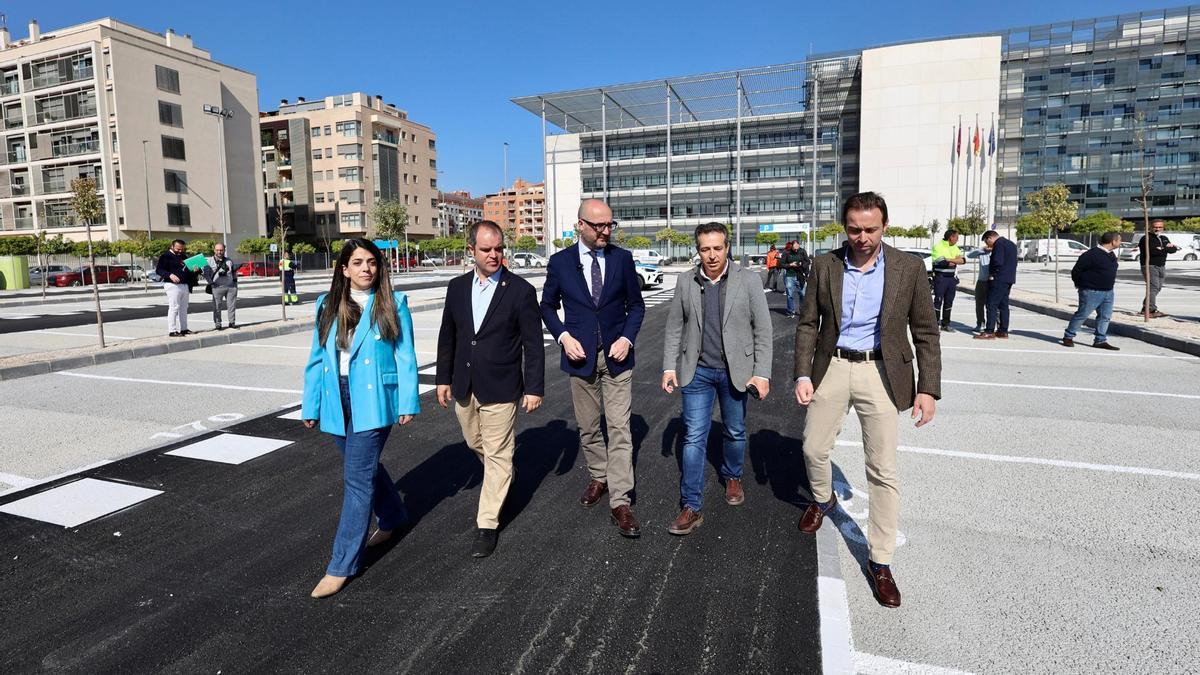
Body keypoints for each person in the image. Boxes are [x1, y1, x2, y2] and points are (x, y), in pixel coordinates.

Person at [793, 192, 941, 608]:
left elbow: (926, 332)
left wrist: (927, 388)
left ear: (884, 227)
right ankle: (823, 498)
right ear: (845, 227)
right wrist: (803, 373)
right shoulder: (825, 265)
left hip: (881, 372)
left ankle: (880, 561)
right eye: (854, 229)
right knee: (812, 448)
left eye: (870, 229)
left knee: (882, 469)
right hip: (833, 366)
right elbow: (808, 324)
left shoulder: (908, 268)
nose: (862, 237)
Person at [301, 238, 420, 599]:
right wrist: (311, 403)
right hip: (337, 395)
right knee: (364, 468)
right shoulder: (326, 304)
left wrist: (407, 401)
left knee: (356, 478)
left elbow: (406, 356)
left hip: (374, 398)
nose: (366, 268)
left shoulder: (394, 304)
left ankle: (341, 565)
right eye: (357, 262)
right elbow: (317, 357)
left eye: (371, 262)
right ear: (344, 269)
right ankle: (394, 516)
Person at [436, 220, 544, 558]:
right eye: (486, 250)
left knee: (497, 454)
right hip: (465, 384)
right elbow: (448, 336)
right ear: (472, 251)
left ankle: (487, 524)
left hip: (502, 385)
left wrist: (534, 387)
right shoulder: (456, 288)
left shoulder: (520, 290)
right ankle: (504, 474)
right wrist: (442, 378)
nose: (495, 255)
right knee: (475, 442)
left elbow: (533, 344)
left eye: (499, 248)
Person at [540, 198, 646, 538]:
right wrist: (563, 336)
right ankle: (599, 476)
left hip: (617, 359)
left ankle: (620, 499)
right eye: (598, 225)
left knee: (619, 428)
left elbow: (637, 307)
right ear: (580, 225)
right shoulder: (560, 263)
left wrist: (627, 339)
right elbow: (546, 306)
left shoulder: (623, 259)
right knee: (588, 428)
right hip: (579, 358)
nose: (605, 232)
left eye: (609, 225)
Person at [661, 222, 772, 535]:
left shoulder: (748, 280)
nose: (711, 255)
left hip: (735, 372)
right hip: (696, 372)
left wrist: (761, 372)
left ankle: (732, 475)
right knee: (694, 435)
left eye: (717, 248)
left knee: (735, 431)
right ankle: (691, 505)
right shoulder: (686, 281)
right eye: (705, 249)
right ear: (697, 250)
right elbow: (674, 327)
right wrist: (669, 367)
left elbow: (763, 329)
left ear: (727, 247)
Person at [1063, 231, 1123, 351]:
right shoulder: (1091, 254)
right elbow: (1076, 271)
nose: (1120, 243)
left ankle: (1100, 340)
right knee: (1082, 314)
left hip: (1108, 291)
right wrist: (1081, 285)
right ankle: (1068, 336)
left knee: (1105, 316)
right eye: (1119, 240)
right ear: (1113, 241)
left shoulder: (1111, 255)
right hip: (1091, 291)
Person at [975, 230, 1018, 340]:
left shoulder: (998, 244)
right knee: (1003, 305)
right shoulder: (1011, 244)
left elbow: (997, 261)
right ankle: (1003, 331)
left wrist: (992, 274)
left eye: (986, 242)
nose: (987, 245)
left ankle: (989, 331)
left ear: (989, 238)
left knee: (991, 304)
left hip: (998, 278)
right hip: (1009, 278)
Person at [1138, 219, 1179, 318]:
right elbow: (1153, 252)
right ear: (1151, 227)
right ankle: (1150, 310)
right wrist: (1166, 248)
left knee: (1158, 287)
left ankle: (1145, 308)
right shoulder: (1146, 238)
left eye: (1160, 227)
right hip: (1149, 265)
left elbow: (1173, 249)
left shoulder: (1164, 237)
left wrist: (1163, 248)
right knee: (1153, 287)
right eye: (1155, 227)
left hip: (1161, 266)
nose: (1157, 229)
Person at [156, 239, 193, 337]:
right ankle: (172, 330)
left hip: (184, 284)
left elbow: (189, 270)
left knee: (184, 308)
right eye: (178, 249)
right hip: (172, 285)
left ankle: (184, 329)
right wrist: (170, 274)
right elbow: (159, 270)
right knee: (174, 307)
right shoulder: (165, 256)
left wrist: (195, 269)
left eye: (182, 249)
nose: (180, 251)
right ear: (172, 246)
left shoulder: (183, 256)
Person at [930, 230, 965, 332]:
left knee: (949, 301)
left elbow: (963, 260)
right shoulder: (938, 247)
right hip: (941, 278)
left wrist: (950, 259)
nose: (957, 240)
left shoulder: (955, 247)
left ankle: (946, 324)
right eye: (956, 238)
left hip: (951, 279)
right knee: (938, 301)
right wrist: (954, 260)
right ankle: (935, 324)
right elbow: (942, 263)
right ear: (951, 237)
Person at [202, 242, 238, 330]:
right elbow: (206, 274)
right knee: (217, 307)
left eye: (221, 250)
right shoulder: (209, 261)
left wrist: (235, 282)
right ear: (214, 250)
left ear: (224, 250)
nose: (219, 252)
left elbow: (233, 272)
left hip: (230, 287)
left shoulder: (229, 260)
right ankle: (218, 324)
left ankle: (232, 322)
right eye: (217, 250)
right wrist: (212, 284)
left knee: (231, 306)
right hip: (217, 287)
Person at [781, 240, 811, 317]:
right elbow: (782, 264)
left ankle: (802, 311)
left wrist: (801, 264)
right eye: (794, 248)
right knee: (790, 295)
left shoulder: (802, 251)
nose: (796, 250)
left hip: (800, 275)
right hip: (790, 276)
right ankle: (791, 311)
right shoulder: (786, 252)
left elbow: (807, 261)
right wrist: (790, 265)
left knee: (803, 294)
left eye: (797, 247)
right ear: (791, 246)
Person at [973, 238, 992, 333]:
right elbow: (970, 255)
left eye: (988, 241)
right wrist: (982, 249)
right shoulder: (982, 253)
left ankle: (994, 324)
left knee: (992, 304)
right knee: (979, 304)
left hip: (991, 282)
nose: (987, 244)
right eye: (985, 243)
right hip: (981, 281)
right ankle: (980, 323)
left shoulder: (996, 252)